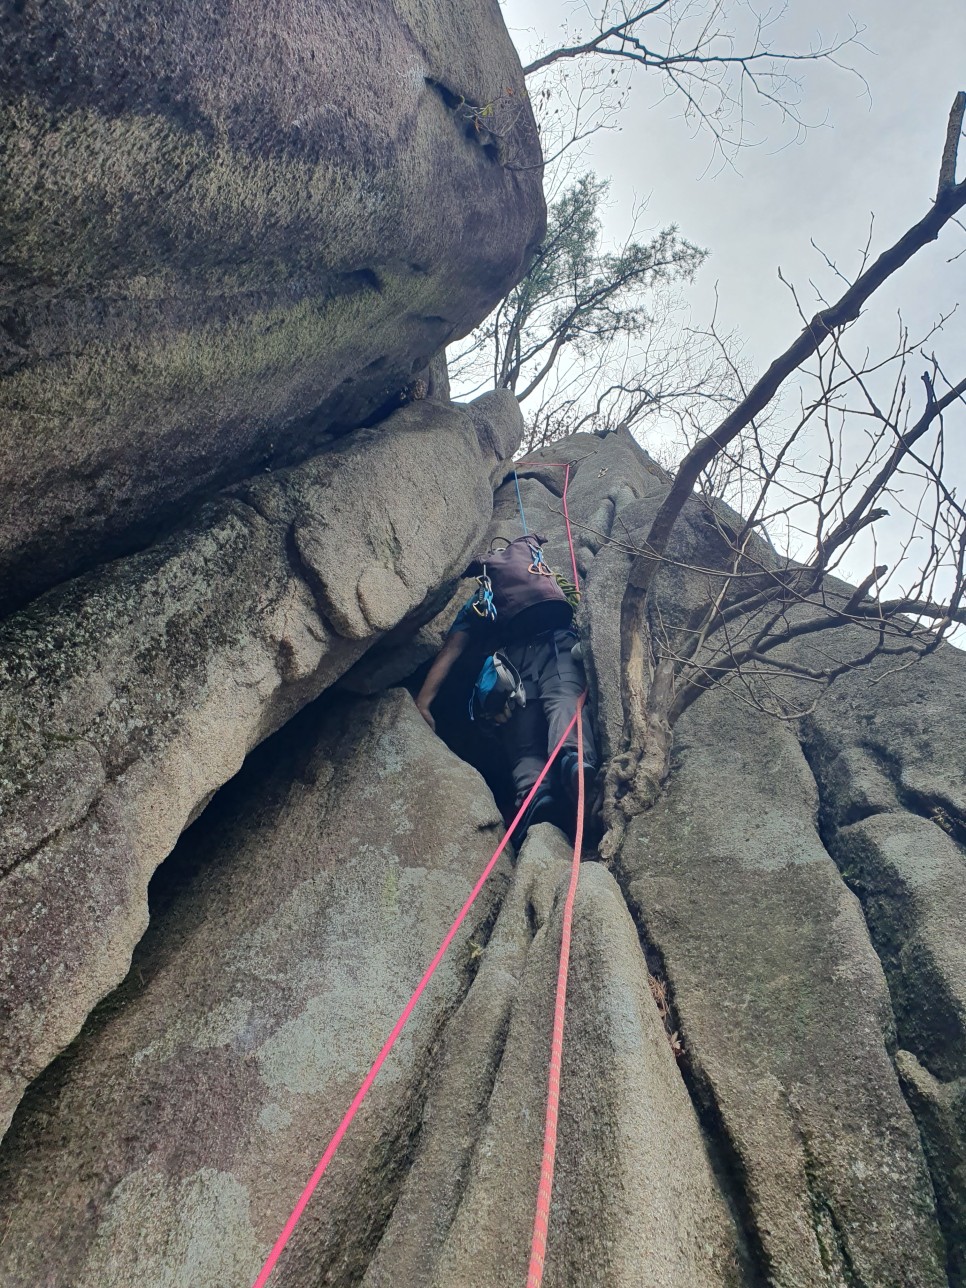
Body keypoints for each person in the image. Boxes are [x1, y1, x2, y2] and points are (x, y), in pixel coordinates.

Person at [415, 533, 597, 839]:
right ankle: (576, 760)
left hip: (512, 667)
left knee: (524, 745)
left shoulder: (481, 599)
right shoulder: (546, 578)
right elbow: (578, 607)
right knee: (564, 700)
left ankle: (534, 793)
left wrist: (423, 701)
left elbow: (451, 650)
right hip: (558, 649)